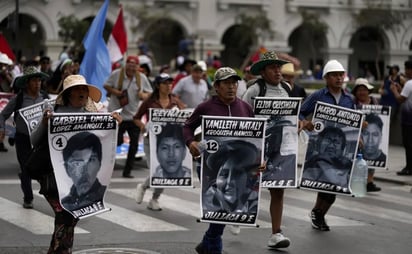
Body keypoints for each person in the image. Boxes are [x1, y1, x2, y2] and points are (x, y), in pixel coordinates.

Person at [31, 74, 121, 253]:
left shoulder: (94, 114)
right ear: (69, 94)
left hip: (80, 183)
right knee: (66, 216)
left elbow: (107, 143)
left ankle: (60, 250)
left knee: (70, 218)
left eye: (84, 89)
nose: (82, 92)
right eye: (77, 89)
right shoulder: (54, 111)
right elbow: (34, 140)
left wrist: (115, 124)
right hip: (53, 178)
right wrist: (44, 122)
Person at [183, 67, 254, 254]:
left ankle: (208, 241)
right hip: (210, 165)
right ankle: (214, 247)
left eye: (234, 83)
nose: (231, 87)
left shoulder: (245, 108)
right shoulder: (206, 107)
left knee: (226, 206)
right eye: (226, 83)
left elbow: (256, 138)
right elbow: (188, 127)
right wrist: (191, 143)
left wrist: (258, 161)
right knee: (217, 203)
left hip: (238, 168)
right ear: (216, 86)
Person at [242, 50, 292, 249]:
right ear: (263, 71)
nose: (278, 71)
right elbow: (242, 115)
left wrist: (299, 125)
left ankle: (276, 233)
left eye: (279, 67)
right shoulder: (255, 90)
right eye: (273, 67)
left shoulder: (287, 89)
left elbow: (294, 116)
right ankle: (235, 217)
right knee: (245, 187)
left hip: (279, 150)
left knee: (278, 191)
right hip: (255, 148)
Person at [299, 59, 355, 231]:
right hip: (321, 146)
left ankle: (317, 213)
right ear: (326, 78)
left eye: (341, 75)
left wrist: (359, 134)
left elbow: (354, 121)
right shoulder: (318, 96)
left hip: (340, 149)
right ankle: (318, 215)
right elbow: (300, 112)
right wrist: (305, 123)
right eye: (334, 75)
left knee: (335, 186)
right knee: (325, 184)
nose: (338, 78)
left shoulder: (349, 98)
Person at [134, 73, 185, 211]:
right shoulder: (150, 102)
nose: (168, 86)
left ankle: (154, 199)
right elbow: (137, 118)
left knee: (165, 173)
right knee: (156, 171)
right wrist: (143, 126)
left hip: (169, 142)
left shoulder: (175, 102)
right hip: (151, 141)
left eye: (170, 83)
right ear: (157, 85)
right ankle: (144, 187)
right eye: (165, 83)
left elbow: (186, 117)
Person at [0, 66, 49, 209]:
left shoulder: (45, 98)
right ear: (27, 82)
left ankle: (52, 196)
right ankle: (28, 197)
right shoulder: (18, 99)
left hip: (41, 139)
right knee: (26, 168)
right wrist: (2, 129)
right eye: (34, 80)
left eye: (39, 80)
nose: (38, 83)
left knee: (46, 169)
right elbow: (2, 115)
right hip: (23, 139)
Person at [104, 55, 153, 178]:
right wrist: (116, 92)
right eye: (129, 65)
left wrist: (142, 95)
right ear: (126, 65)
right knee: (116, 141)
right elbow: (106, 85)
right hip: (117, 115)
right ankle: (105, 167)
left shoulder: (141, 78)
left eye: (134, 66)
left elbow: (150, 93)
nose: (131, 68)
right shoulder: (117, 74)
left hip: (133, 116)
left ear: (137, 67)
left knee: (134, 145)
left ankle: (127, 171)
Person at [203, 140, 260, 213]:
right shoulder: (208, 202)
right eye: (224, 175)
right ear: (216, 179)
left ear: (247, 177)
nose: (230, 182)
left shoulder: (252, 200)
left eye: (237, 174)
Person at [60, 132, 106, 211]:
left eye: (91, 160)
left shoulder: (106, 197)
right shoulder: (64, 204)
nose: (85, 170)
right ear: (67, 169)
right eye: (77, 163)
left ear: (99, 163)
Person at [352, 78, 382, 192]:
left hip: (370, 134)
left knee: (371, 158)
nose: (362, 92)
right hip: (357, 134)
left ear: (368, 91)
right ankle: (355, 181)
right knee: (356, 159)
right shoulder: (352, 103)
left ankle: (369, 182)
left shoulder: (374, 101)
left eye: (364, 89)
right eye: (359, 90)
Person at [390, 60, 412, 176]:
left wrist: (394, 91)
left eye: (406, 69)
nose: (405, 72)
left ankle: (409, 167)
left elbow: (400, 99)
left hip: (408, 120)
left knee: (408, 144)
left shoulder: (409, 83)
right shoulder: (407, 84)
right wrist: (400, 88)